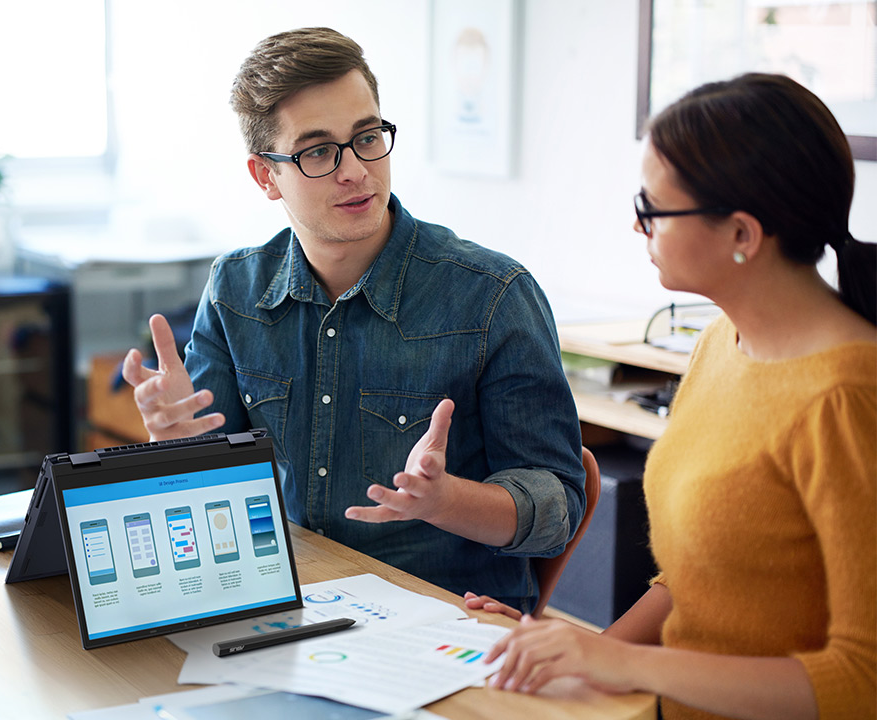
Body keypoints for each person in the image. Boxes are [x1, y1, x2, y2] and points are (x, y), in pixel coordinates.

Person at [121, 27, 585, 613]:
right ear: (266, 176)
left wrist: (444, 500)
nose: (355, 171)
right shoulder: (235, 289)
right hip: (290, 606)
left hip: (444, 622)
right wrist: (178, 446)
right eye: (318, 151)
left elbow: (557, 512)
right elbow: (219, 496)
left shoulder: (493, 297)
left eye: (367, 137)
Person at [473, 73, 876, 719]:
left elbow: (862, 681)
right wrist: (570, 653)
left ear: (742, 234)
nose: (639, 226)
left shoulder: (846, 400)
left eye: (653, 209)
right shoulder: (722, 342)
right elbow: (698, 582)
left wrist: (622, 663)